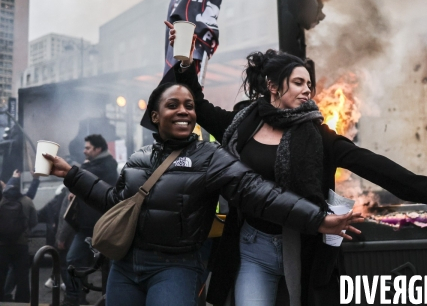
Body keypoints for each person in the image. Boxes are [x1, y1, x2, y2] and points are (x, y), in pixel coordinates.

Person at [166, 25, 427, 306]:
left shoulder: (317, 135)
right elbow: (200, 108)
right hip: (251, 246)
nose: (307, 90)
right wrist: (184, 62)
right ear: (273, 86)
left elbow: (371, 164)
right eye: (298, 82)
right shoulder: (242, 122)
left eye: (309, 84)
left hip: (300, 245)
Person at [42, 82, 362, 306]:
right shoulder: (138, 158)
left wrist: (318, 219)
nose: (184, 111)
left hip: (176, 269)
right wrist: (70, 174)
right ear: (155, 116)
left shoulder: (211, 157)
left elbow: (260, 194)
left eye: (190, 105)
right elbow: (116, 204)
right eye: (173, 105)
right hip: (124, 268)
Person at [62, 134, 118, 305]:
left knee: (107, 267)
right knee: (74, 261)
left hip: (101, 226)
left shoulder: (106, 166)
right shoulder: (91, 166)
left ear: (98, 149)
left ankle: (105, 299)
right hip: (86, 226)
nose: (84, 151)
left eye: (88, 148)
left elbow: (88, 178)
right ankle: (75, 297)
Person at [0, 174, 38, 302]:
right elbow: (34, 221)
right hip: (21, 243)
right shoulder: (27, 201)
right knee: (22, 275)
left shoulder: (1, 201)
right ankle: (22, 300)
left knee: (1, 273)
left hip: (2, 244)